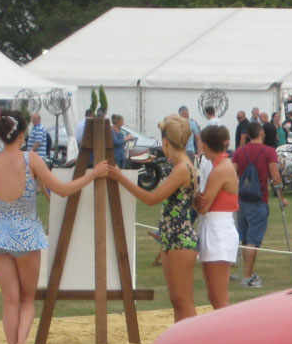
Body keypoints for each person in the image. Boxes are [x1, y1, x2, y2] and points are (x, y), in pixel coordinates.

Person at [0, 113, 108, 344]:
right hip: (27, 233)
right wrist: (92, 174)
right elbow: (62, 190)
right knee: (27, 299)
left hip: (0, 233)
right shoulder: (30, 159)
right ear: (22, 134)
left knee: (10, 300)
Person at [107, 114, 199, 322]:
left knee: (183, 301)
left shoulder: (182, 168)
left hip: (180, 238)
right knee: (178, 300)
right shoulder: (183, 166)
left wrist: (121, 177)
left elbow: (151, 198)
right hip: (173, 237)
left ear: (166, 142)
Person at [191, 124, 239, 310]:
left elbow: (203, 206)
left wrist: (196, 198)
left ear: (204, 144)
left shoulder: (221, 169)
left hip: (218, 230)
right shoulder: (218, 166)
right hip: (213, 228)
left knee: (219, 299)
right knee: (214, 296)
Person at [232, 121, 283, 287]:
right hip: (259, 199)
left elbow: (233, 176)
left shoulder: (239, 152)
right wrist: (281, 198)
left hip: (242, 199)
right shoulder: (269, 152)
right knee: (254, 240)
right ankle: (247, 277)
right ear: (261, 133)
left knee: (245, 238)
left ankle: (247, 274)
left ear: (247, 135)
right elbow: (275, 177)